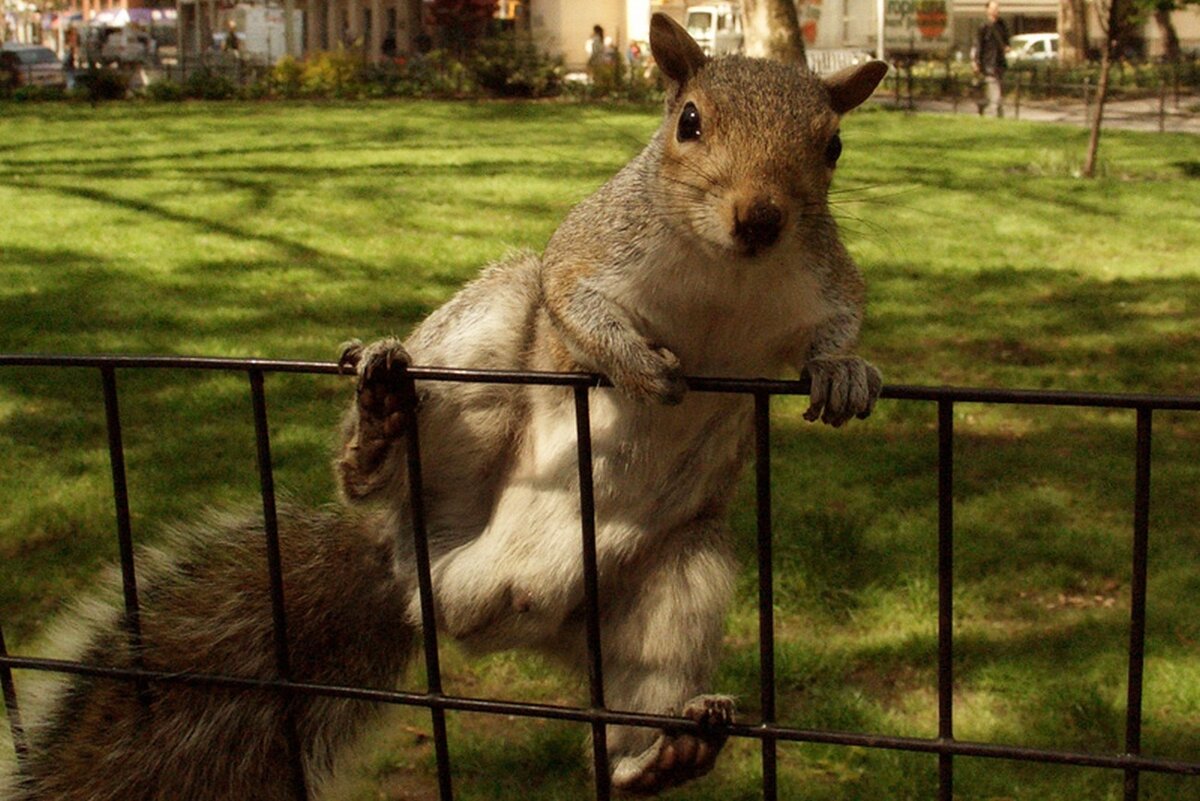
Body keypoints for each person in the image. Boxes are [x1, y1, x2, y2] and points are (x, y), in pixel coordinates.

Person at [973, 0, 1009, 117]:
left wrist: (1007, 47)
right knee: (994, 88)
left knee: (996, 88)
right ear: (987, 10)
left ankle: (985, 107)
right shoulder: (983, 27)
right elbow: (979, 45)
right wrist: (976, 62)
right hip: (988, 63)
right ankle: (996, 113)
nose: (996, 11)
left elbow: (1006, 42)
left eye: (997, 8)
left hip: (1000, 62)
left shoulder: (1002, 25)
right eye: (993, 8)